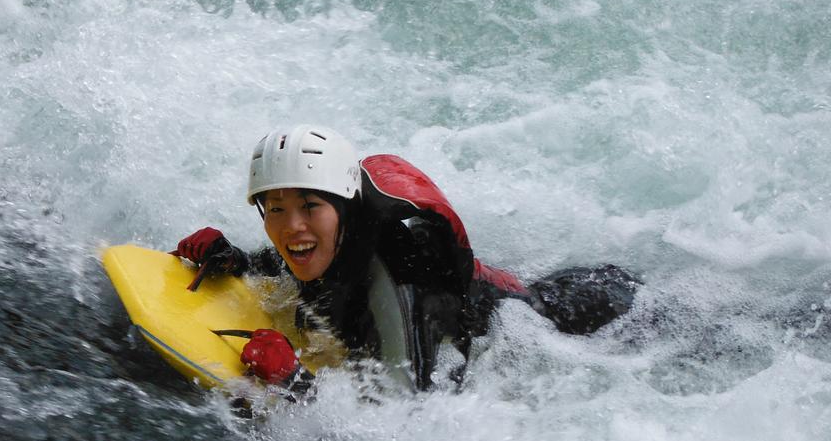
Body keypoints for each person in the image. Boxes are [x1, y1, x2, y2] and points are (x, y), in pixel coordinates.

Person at [174, 125, 638, 391]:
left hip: (594, 320)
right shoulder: (325, 241)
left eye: (310, 206)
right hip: (546, 299)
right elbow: (293, 260)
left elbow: (410, 421)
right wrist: (232, 259)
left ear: (344, 207)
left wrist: (295, 383)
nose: (291, 226)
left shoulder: (395, 285)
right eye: (275, 209)